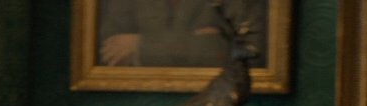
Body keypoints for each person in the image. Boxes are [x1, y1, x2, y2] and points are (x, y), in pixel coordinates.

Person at [97, 0, 266, 67]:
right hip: (138, 101)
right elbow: (106, 51)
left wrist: (144, 47)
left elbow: (254, 56)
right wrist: (199, 44)